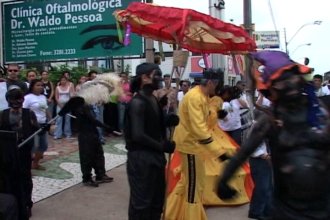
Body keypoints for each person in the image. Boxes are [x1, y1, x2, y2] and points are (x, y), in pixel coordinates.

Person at [218, 51, 330, 220]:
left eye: (291, 77)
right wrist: (224, 181)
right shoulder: (270, 121)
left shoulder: (322, 113)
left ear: (299, 78)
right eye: (281, 82)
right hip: (288, 212)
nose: (289, 85)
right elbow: (242, 154)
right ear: (272, 89)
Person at [164, 68, 229, 220]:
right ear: (211, 82)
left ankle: (173, 213)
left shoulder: (203, 96)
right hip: (191, 146)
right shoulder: (195, 97)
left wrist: (217, 114)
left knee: (190, 182)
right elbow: (199, 128)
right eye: (217, 84)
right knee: (193, 186)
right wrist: (219, 152)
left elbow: (206, 120)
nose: (218, 87)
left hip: (196, 146)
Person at [125, 63, 176, 220]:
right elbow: (138, 134)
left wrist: (167, 120)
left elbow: (152, 123)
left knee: (157, 201)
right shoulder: (137, 102)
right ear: (145, 77)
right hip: (141, 159)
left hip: (156, 158)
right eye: (157, 74)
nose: (161, 78)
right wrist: (162, 146)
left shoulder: (153, 98)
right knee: (142, 204)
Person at [0, 87, 40, 218]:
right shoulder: (3, 114)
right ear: (8, 100)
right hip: (8, 152)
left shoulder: (29, 114)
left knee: (26, 178)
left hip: (24, 151)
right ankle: (15, 203)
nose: (16, 103)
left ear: (23, 100)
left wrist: (35, 150)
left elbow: (37, 132)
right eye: (13, 100)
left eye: (19, 99)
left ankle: (27, 204)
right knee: (9, 178)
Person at [72, 99, 114, 187]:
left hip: (93, 132)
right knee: (87, 156)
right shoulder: (81, 106)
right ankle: (87, 178)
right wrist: (105, 126)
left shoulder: (89, 105)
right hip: (85, 134)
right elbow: (92, 119)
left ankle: (100, 175)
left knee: (99, 154)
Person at [23, 79, 50, 170]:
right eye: (38, 85)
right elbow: (24, 111)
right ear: (32, 87)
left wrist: (50, 120)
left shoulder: (43, 97)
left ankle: (35, 163)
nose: (40, 87)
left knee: (44, 145)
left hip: (43, 124)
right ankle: (27, 166)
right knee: (33, 145)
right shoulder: (28, 98)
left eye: (42, 85)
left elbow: (46, 109)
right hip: (33, 125)